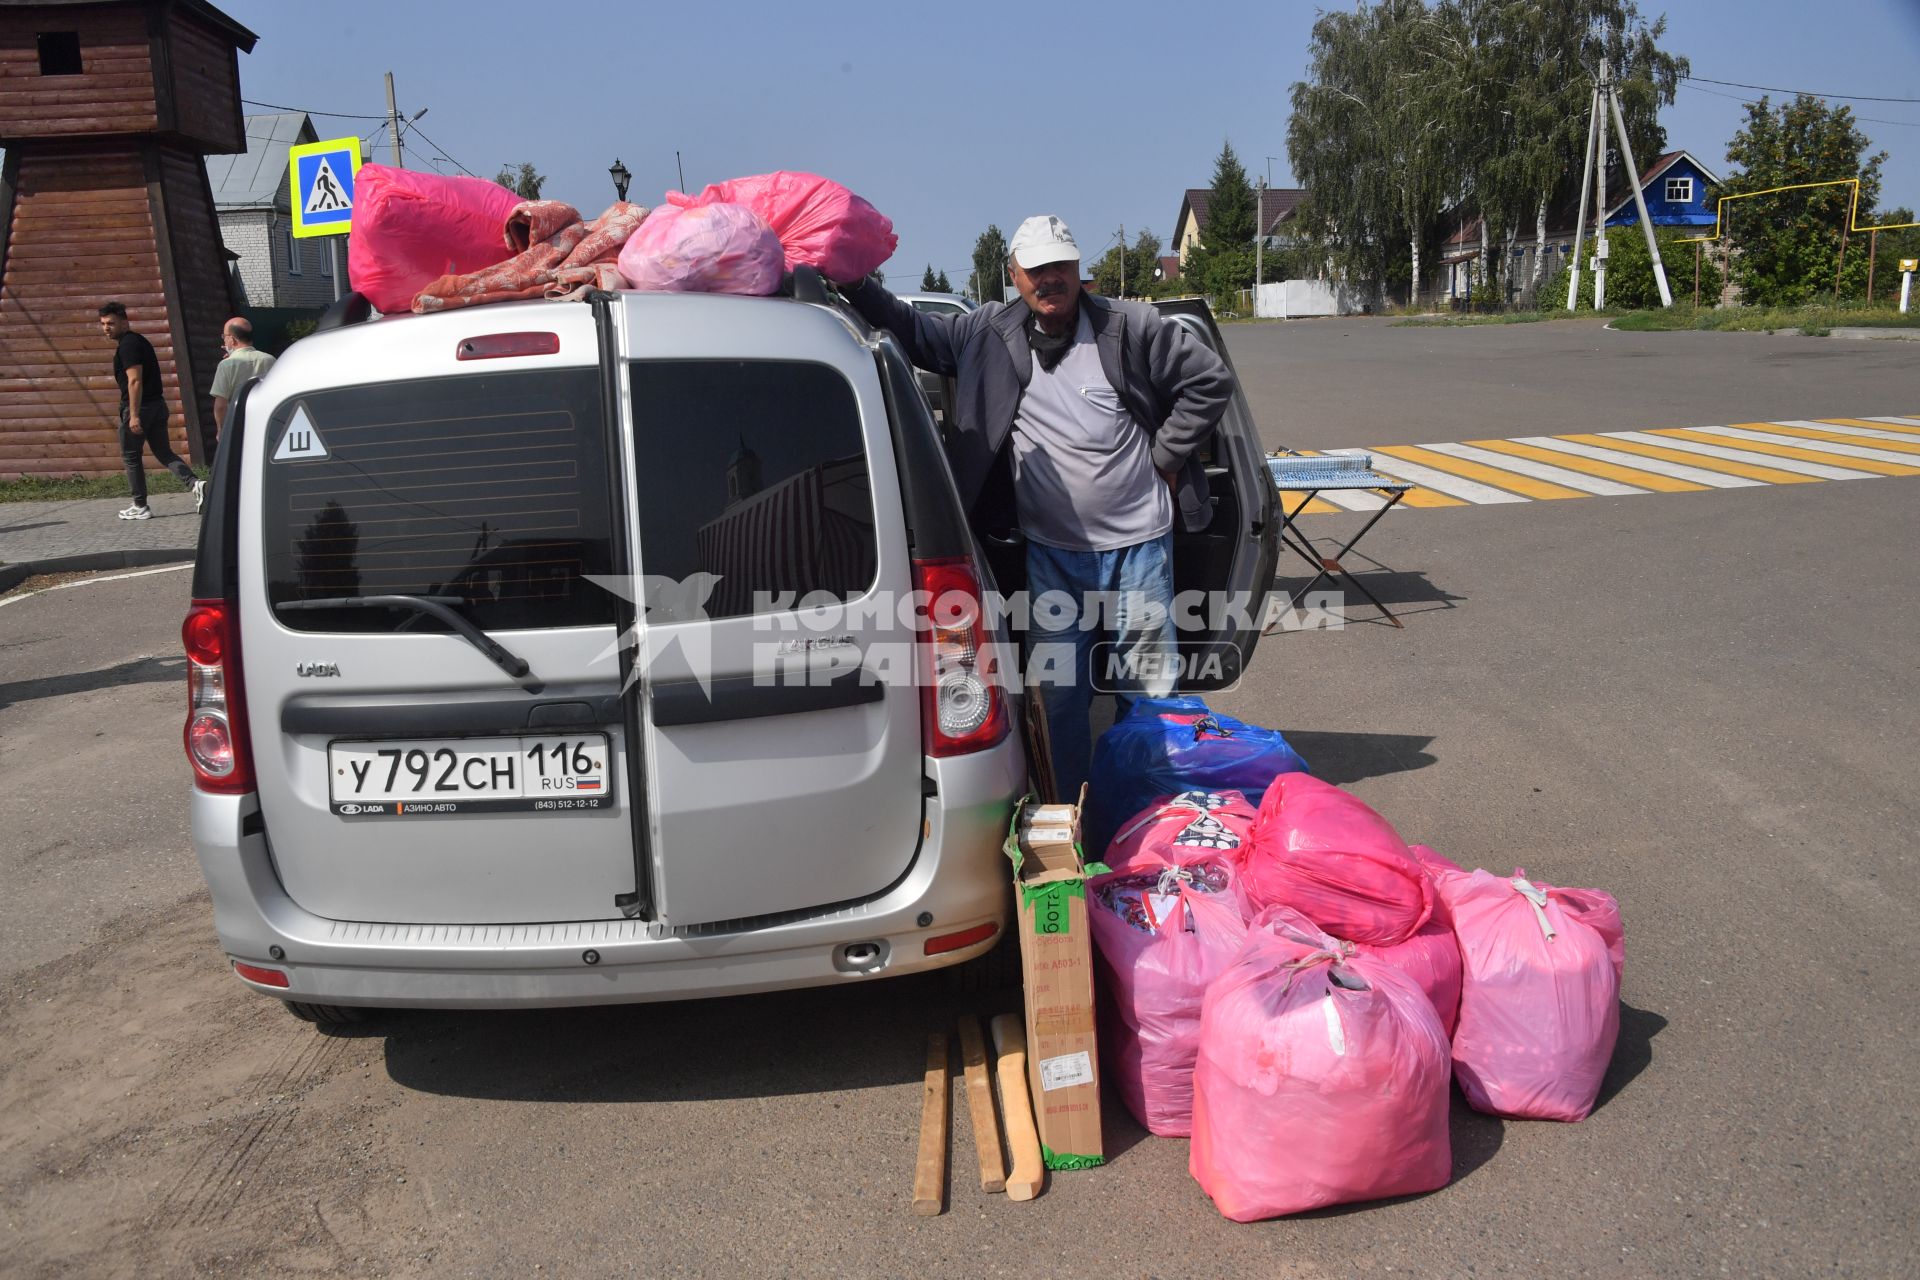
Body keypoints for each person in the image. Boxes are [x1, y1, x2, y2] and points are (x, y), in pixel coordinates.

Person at [841, 214, 1235, 798]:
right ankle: (1073, 812)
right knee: (1059, 698)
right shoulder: (986, 333)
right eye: (1037, 270)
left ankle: (1151, 813)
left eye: (1061, 266)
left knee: (1149, 692)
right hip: (1053, 556)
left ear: (1079, 269)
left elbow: (1210, 379)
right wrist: (852, 277)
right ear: (1014, 275)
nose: (1051, 280)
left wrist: (1168, 454)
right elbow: (913, 331)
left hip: (1139, 550)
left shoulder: (1131, 326)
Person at [98, 301, 201, 520]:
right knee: (164, 452)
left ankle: (140, 505)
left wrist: (134, 415)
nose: (106, 328)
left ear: (124, 321)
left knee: (131, 456)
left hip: (140, 408)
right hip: (157, 405)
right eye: (104, 324)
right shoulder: (139, 341)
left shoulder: (128, 344)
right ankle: (195, 484)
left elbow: (134, 381)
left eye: (111, 323)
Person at [209, 316, 275, 452]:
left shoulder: (226, 365)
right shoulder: (271, 360)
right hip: (267, 422)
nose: (223, 339)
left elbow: (220, 405)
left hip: (239, 425)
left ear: (232, 339)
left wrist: (221, 429)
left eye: (224, 336)